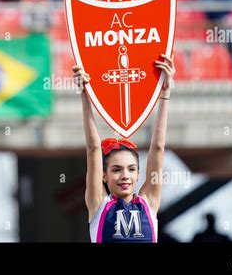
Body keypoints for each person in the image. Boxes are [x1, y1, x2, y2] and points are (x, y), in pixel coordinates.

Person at [72, 53, 175, 243]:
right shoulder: (98, 204)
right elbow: (93, 148)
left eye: (131, 169)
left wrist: (165, 92)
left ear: (138, 175)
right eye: (116, 170)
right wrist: (85, 93)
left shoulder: (149, 203)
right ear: (104, 176)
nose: (125, 175)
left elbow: (158, 147)